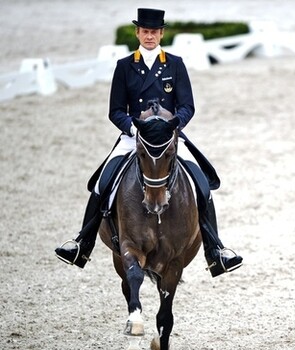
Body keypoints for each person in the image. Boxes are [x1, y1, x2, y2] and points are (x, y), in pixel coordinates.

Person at [55, 8, 242, 277]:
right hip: (135, 137)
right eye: (145, 31)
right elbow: (116, 110)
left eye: (154, 32)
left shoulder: (175, 64)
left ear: (161, 33)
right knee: (101, 182)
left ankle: (216, 251)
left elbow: (187, 105)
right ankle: (82, 244)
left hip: (168, 139)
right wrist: (132, 128)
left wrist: (172, 127)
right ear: (138, 33)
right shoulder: (124, 66)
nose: (150, 36)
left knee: (202, 184)